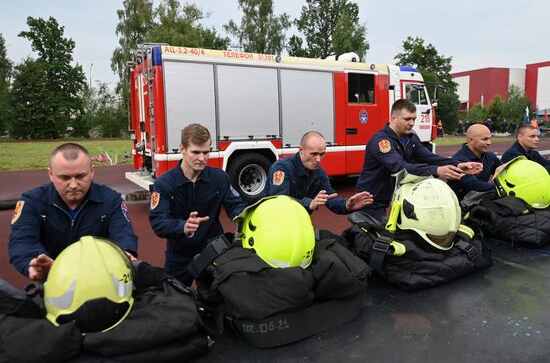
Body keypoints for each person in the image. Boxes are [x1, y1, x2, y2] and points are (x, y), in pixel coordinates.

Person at [8, 143, 138, 281]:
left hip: (100, 279)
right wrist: (35, 264)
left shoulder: (111, 200)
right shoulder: (32, 201)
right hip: (53, 280)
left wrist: (123, 254)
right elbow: (22, 240)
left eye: (81, 176)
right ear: (50, 174)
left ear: (92, 171)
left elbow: (124, 234)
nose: (74, 185)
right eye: (64, 178)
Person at [149, 123, 247, 284]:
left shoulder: (220, 178)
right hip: (179, 254)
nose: (202, 158)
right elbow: (158, 222)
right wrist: (183, 227)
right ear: (182, 149)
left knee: (217, 301)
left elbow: (235, 205)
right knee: (174, 300)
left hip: (213, 249)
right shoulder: (164, 184)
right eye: (195, 152)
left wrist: (240, 217)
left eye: (206, 152)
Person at [356, 99, 482, 221]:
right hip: (370, 199)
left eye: (413, 119)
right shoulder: (382, 141)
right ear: (393, 118)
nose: (411, 123)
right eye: (407, 119)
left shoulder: (410, 137)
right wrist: (437, 170)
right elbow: (399, 167)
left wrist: (458, 165)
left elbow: (428, 157)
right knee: (377, 237)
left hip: (391, 197)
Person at [265, 131, 374, 214]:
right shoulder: (282, 168)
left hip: (296, 222)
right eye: (314, 154)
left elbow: (331, 198)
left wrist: (347, 205)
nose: (318, 159)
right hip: (269, 222)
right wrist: (309, 203)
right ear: (301, 150)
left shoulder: (319, 172)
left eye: (322, 154)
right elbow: (279, 201)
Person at [448, 124, 502, 200]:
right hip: (462, 206)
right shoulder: (459, 161)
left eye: (489, 139)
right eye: (485, 139)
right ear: (470, 140)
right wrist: (502, 188)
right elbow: (475, 185)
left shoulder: (490, 157)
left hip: (479, 200)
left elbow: (504, 171)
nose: (489, 143)